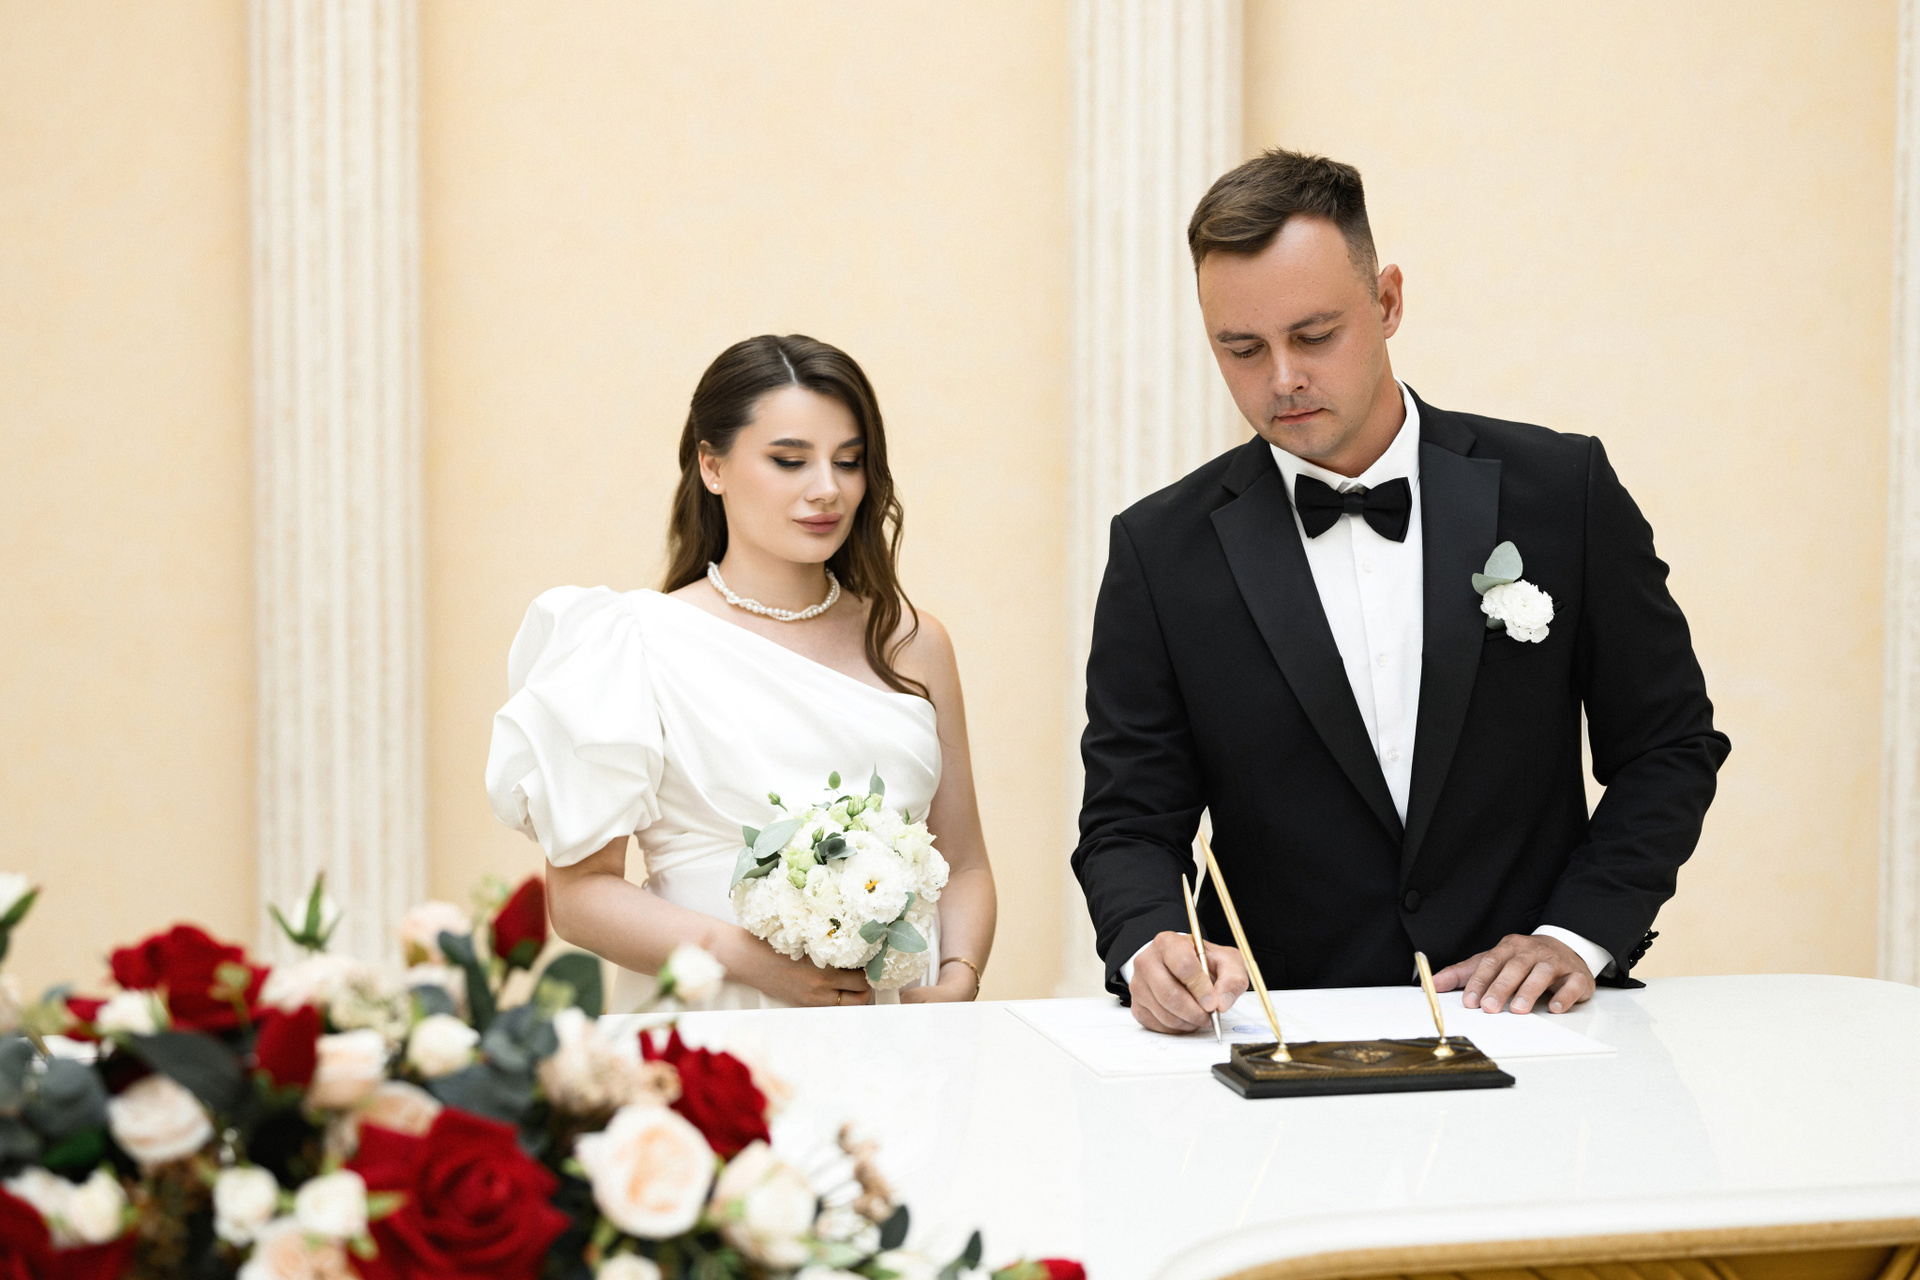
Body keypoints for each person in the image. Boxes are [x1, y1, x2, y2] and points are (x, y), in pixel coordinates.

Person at [1073, 149, 1730, 1035]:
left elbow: (1669, 747)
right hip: (1281, 1034)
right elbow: (1128, 822)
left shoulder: (1562, 492)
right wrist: (1150, 943)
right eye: (1242, 349)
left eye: (1314, 336)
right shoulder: (1160, 551)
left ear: (1386, 302)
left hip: (1533, 1029)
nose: (1282, 379)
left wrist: (1577, 934)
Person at [486, 334, 996, 1012]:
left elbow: (963, 863)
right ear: (712, 466)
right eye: (790, 461)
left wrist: (959, 976)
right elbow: (579, 899)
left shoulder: (912, 642)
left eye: (849, 462)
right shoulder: (631, 641)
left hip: (895, 1027)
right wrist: (749, 962)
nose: (828, 489)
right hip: (714, 1017)